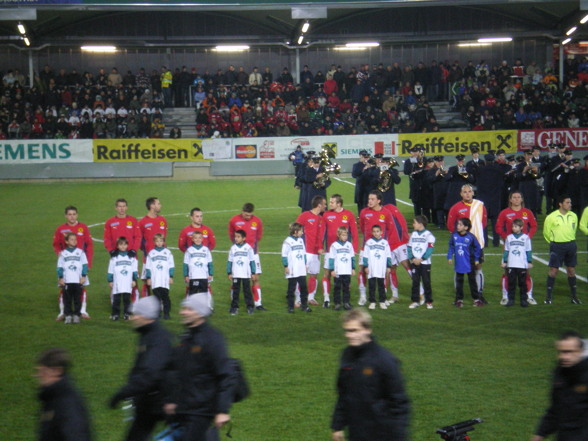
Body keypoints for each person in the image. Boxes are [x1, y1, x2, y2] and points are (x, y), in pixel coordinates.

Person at [331, 309, 410, 441]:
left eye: (354, 330)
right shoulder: (347, 355)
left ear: (367, 330)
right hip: (356, 431)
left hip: (381, 433)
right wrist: (337, 425)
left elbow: (399, 403)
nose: (349, 335)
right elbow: (344, 393)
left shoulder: (384, 360)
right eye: (347, 331)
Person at [164, 294, 233, 441]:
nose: (182, 312)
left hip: (201, 411)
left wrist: (222, 410)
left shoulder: (213, 339)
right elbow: (177, 372)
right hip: (183, 408)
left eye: (188, 309)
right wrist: (171, 400)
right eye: (184, 308)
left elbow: (226, 375)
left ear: (200, 313)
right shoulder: (186, 337)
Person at [108, 297, 172, 441]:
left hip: (159, 401)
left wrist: (123, 393)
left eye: (136, 314)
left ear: (147, 317)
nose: (133, 318)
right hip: (149, 400)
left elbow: (150, 373)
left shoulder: (157, 339)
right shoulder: (148, 335)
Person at [530, 330, 588, 441]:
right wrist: (540, 434)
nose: (564, 357)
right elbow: (556, 408)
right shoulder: (560, 373)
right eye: (561, 352)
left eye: (569, 352)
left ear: (580, 351)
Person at [36, 347, 92, 441]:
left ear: (57, 371)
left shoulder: (67, 404)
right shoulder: (52, 398)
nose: (38, 375)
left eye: (43, 371)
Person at [496, 191, 538, 305]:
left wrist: (527, 237)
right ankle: (505, 296)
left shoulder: (527, 212)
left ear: (522, 199)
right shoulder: (505, 212)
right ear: (510, 200)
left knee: (526, 271)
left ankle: (528, 296)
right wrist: (506, 237)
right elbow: (498, 227)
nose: (516, 199)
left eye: (518, 197)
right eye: (514, 197)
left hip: (523, 246)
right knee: (507, 272)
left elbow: (534, 226)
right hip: (509, 246)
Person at [447, 184, 487, 303]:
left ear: (473, 193)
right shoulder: (455, 208)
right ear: (461, 194)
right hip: (461, 244)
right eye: (465, 192)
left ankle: (479, 294)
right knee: (459, 269)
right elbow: (450, 225)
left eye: (469, 191)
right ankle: (459, 296)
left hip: (476, 243)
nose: (467, 194)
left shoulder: (480, 206)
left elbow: (483, 223)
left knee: (477, 267)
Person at [53, 205, 93, 320]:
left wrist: (88, 263)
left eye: (74, 214)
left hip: (80, 265)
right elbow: (55, 244)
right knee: (63, 287)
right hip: (66, 265)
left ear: (77, 215)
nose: (72, 216)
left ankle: (82, 311)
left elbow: (89, 245)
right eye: (69, 214)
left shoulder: (83, 227)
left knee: (82, 287)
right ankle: (62, 312)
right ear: (66, 216)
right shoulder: (60, 229)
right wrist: (59, 254)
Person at [321, 194, 359, 308]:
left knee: (346, 276)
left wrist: (355, 248)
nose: (329, 204)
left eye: (332, 202)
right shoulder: (326, 214)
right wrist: (320, 246)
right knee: (327, 273)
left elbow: (354, 232)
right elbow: (322, 231)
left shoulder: (349, 214)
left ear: (339, 204)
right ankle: (327, 298)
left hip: (345, 251)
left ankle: (346, 301)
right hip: (330, 250)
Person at [228, 203, 267, 311]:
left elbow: (258, 237)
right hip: (239, 255)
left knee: (255, 278)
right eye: (246, 215)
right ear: (242, 211)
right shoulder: (234, 220)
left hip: (253, 254)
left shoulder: (257, 221)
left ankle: (258, 303)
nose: (248, 217)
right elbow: (232, 235)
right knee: (236, 279)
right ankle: (234, 303)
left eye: (250, 215)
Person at [543, 195, 580, 305]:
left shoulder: (573, 216)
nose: (570, 204)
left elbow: (574, 230)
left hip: (571, 245)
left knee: (571, 270)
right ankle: (548, 297)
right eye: (567, 202)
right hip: (557, 246)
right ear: (560, 204)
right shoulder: (551, 217)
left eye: (570, 202)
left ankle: (574, 297)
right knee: (554, 271)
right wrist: (554, 242)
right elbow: (546, 232)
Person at [358, 191, 393, 305]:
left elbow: (389, 229)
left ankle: (383, 296)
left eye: (372, 199)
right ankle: (363, 296)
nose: (370, 201)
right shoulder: (364, 212)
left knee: (383, 271)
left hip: (380, 249)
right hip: (366, 248)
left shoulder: (386, 213)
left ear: (379, 200)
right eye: (369, 199)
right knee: (362, 270)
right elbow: (362, 228)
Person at [296, 195, 326, 307]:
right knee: (301, 275)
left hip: (316, 252)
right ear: (319, 205)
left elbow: (320, 236)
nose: (325, 206)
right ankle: (298, 299)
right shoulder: (304, 216)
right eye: (324, 204)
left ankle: (310, 297)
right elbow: (295, 230)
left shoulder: (321, 219)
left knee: (314, 274)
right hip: (305, 251)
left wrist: (320, 247)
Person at [447, 218, 483, 308]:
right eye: (458, 224)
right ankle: (459, 300)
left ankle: (476, 299)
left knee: (472, 281)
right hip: (459, 262)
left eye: (460, 224)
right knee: (459, 282)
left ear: (466, 227)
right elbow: (451, 246)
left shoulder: (471, 237)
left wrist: (476, 259)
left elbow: (477, 248)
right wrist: (449, 257)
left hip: (469, 262)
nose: (457, 226)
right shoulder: (454, 236)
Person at [57, 233, 89, 324]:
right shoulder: (63, 254)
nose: (74, 241)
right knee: (67, 299)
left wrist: (83, 276)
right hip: (67, 281)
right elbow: (59, 267)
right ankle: (67, 315)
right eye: (71, 239)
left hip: (78, 280)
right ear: (66, 241)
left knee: (77, 299)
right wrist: (61, 278)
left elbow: (85, 265)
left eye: (75, 239)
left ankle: (76, 315)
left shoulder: (80, 252)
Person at [139, 198, 167, 298]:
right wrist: (146, 251)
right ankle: (147, 305)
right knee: (147, 281)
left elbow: (164, 238)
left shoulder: (162, 220)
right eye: (158, 203)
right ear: (152, 206)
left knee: (162, 280)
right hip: (148, 257)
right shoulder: (142, 222)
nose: (160, 205)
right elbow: (140, 240)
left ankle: (161, 303)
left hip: (162, 257)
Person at [501, 218, 533, 307]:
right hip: (511, 264)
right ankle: (511, 300)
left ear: (521, 227)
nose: (513, 228)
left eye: (516, 226)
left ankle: (523, 300)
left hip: (522, 264)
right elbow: (506, 250)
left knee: (522, 283)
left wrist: (529, 261)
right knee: (511, 283)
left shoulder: (526, 238)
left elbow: (528, 251)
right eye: (513, 226)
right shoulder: (509, 238)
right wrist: (505, 261)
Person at [282, 222, 311, 313]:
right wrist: (286, 266)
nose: (302, 232)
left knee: (303, 288)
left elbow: (304, 253)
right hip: (292, 269)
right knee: (291, 289)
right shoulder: (287, 241)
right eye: (301, 231)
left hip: (301, 268)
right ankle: (290, 307)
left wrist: (305, 265)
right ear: (295, 231)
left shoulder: (301, 240)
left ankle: (304, 306)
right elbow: (284, 255)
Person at [108, 237, 139, 321]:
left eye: (125, 244)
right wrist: (110, 280)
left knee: (126, 299)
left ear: (127, 245)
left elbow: (134, 270)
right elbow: (110, 270)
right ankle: (115, 314)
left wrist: (134, 280)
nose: (123, 246)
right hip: (117, 282)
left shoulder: (131, 257)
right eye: (120, 244)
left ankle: (127, 314)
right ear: (117, 246)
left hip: (127, 282)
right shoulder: (114, 257)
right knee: (116, 300)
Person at [407, 215, 435, 309]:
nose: (413, 224)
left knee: (426, 282)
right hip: (414, 262)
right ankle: (415, 301)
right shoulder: (413, 234)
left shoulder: (429, 235)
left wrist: (421, 259)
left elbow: (430, 249)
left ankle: (428, 301)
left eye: (414, 222)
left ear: (420, 224)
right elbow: (409, 247)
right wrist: (413, 259)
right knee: (415, 282)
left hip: (425, 263)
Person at [362, 225, 392, 310]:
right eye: (374, 231)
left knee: (381, 285)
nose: (376, 233)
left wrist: (388, 266)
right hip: (371, 268)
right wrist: (366, 266)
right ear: (372, 232)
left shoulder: (385, 243)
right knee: (372, 285)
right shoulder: (369, 242)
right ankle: (372, 302)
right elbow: (365, 256)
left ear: (381, 232)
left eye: (377, 231)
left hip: (381, 268)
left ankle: (382, 301)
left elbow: (388, 255)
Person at [145, 234, 175, 320]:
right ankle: (157, 313)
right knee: (156, 298)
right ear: (154, 242)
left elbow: (171, 266)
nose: (159, 243)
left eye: (161, 241)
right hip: (155, 280)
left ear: (163, 242)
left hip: (165, 280)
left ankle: (166, 313)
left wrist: (171, 276)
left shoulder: (168, 253)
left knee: (165, 297)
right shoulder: (151, 253)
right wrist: (149, 277)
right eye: (157, 241)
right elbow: (148, 267)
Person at [227, 229, 257, 315]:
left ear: (244, 238)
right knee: (235, 291)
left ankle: (250, 307)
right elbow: (230, 261)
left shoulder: (248, 248)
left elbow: (252, 261)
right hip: (236, 274)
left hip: (245, 274)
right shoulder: (233, 248)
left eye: (238, 237)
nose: (236, 238)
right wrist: (229, 272)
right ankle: (234, 307)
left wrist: (253, 272)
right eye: (235, 236)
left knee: (247, 291)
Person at [329, 227, 356, 311]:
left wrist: (353, 268)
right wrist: (332, 269)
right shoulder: (334, 245)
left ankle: (346, 303)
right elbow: (331, 258)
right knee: (337, 287)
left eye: (346, 235)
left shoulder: (349, 245)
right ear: (338, 235)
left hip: (347, 270)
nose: (345, 237)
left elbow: (352, 257)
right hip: (338, 271)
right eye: (343, 235)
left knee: (346, 287)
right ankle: (337, 303)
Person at [351, 150, 372, 214]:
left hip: (369, 189)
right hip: (360, 189)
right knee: (360, 208)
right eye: (364, 157)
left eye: (367, 157)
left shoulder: (371, 165)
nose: (366, 158)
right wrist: (364, 169)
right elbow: (354, 175)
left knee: (370, 206)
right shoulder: (356, 165)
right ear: (360, 156)